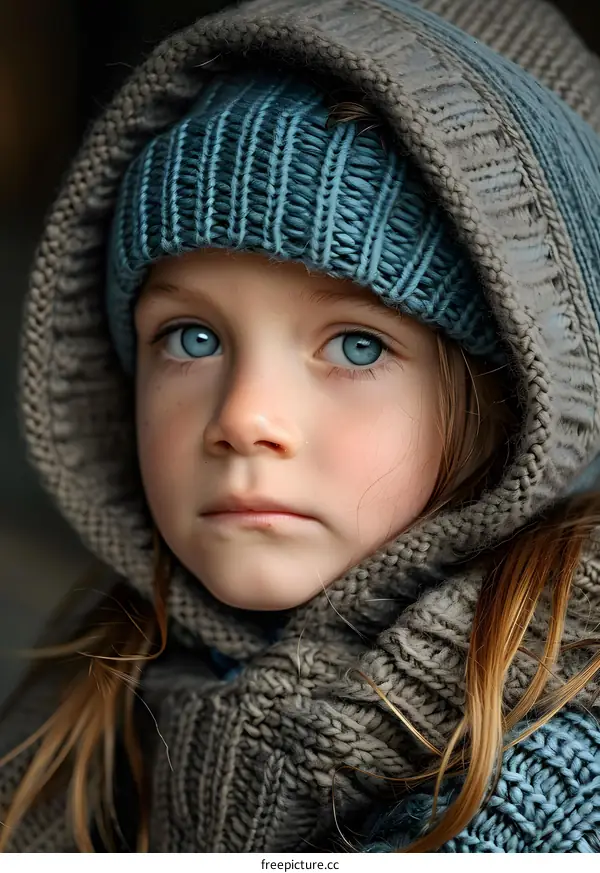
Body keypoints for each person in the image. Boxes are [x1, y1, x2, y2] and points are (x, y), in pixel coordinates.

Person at [1, 0, 600, 854]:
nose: (245, 417)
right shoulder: (86, 702)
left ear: (513, 404)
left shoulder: (558, 789)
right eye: (192, 337)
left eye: (356, 345)